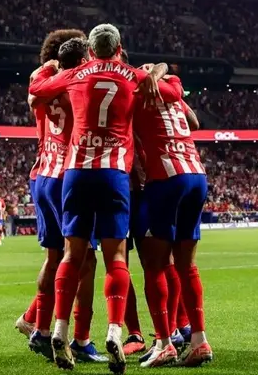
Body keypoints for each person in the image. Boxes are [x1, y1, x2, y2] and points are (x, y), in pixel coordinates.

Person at [28, 23, 164, 373]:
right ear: (119, 47)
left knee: (71, 255)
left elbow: (37, 87)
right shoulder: (132, 75)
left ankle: (59, 329)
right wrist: (155, 72)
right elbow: (172, 92)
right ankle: (116, 333)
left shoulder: (76, 73)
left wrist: (51, 66)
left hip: (74, 173)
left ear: (91, 49)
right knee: (115, 254)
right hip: (114, 173)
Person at [21, 31, 108, 364]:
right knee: (86, 261)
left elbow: (33, 96)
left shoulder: (43, 86)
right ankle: (81, 339)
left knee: (54, 257)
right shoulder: (79, 87)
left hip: (43, 173)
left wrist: (47, 68)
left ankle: (40, 328)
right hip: (69, 178)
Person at [131, 73, 212, 367]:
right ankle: (199, 341)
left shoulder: (135, 96)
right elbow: (194, 122)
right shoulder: (174, 92)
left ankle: (165, 342)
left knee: (155, 267)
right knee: (187, 266)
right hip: (196, 174)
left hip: (165, 178)